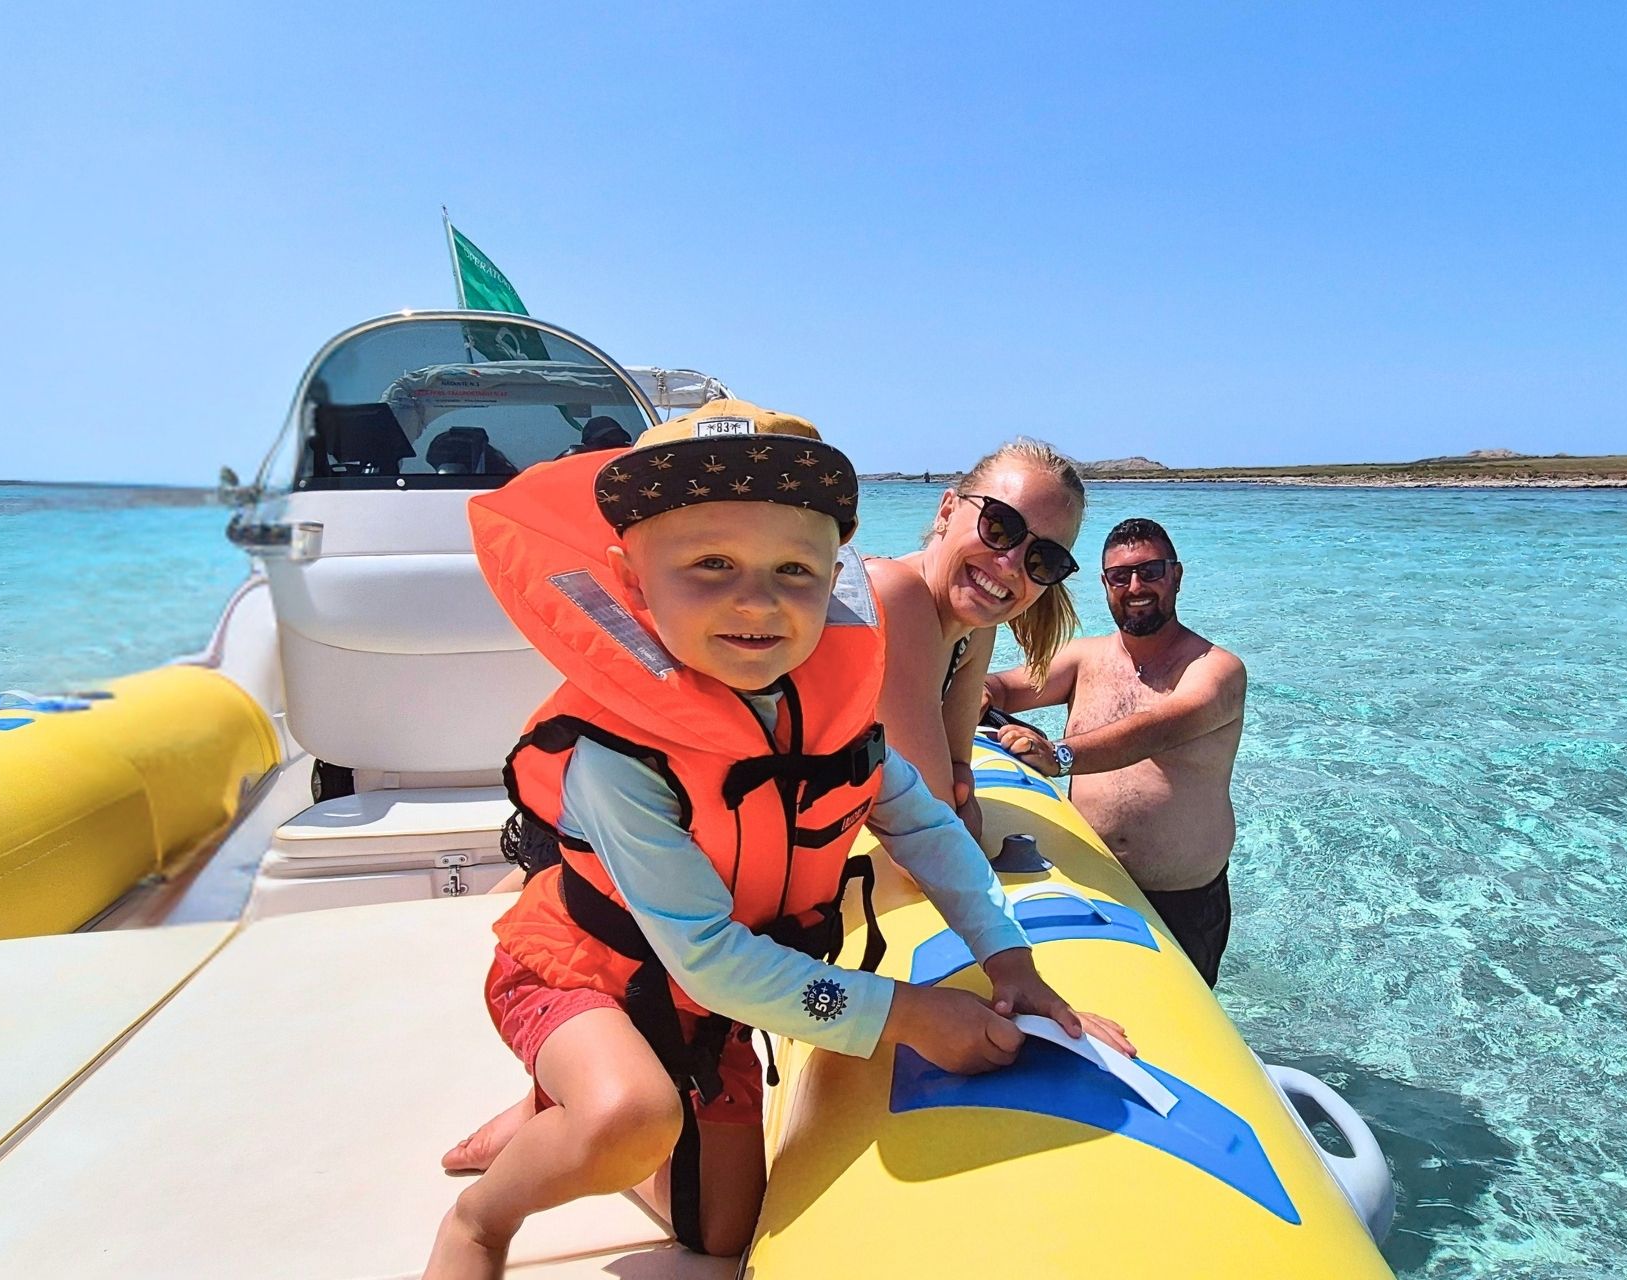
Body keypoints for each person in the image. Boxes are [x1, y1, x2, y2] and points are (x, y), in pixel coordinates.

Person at [427, 403, 1128, 1278]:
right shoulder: (618, 759)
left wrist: (1009, 959)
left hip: (704, 1005)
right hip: (581, 973)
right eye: (711, 563)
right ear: (632, 577)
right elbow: (712, 958)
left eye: (794, 570)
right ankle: (485, 1217)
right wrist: (905, 1016)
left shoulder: (829, 716)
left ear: (831, 577)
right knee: (629, 1117)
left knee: (724, 1234)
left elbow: (923, 824)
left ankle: (556, 1117)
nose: (756, 601)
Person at [983, 518, 1246, 987]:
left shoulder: (1216, 669)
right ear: (1105, 585)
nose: (1136, 587)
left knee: (1175, 1031)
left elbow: (1160, 727)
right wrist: (979, 692)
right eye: (1120, 577)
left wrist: (1059, 756)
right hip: (1089, 880)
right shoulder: (1085, 659)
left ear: (1177, 576)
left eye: (1151, 571)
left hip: (1179, 899)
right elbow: (1006, 686)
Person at [865, 440, 1085, 841]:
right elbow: (933, 830)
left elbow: (955, 768)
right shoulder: (894, 593)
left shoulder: (975, 626)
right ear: (947, 511)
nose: (1010, 565)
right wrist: (952, 806)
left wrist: (955, 795)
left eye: (1044, 560)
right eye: (999, 526)